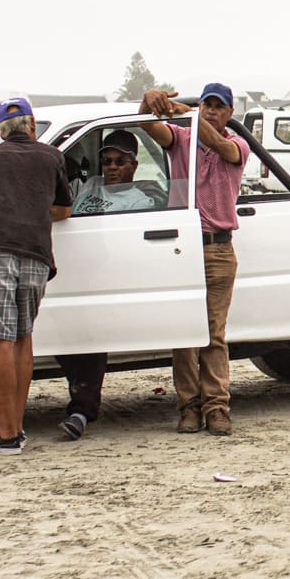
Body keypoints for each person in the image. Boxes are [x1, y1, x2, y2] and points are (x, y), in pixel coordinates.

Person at [0, 98, 73, 455]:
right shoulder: (52, 157)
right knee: (23, 335)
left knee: (0, 339)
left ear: (0, 131)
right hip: (37, 255)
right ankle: (15, 430)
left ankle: (6, 435)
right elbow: (64, 209)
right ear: (32, 126)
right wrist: (32, 212)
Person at [141, 83, 250, 436]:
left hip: (218, 248)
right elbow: (146, 124)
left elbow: (221, 146)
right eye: (207, 105)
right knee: (185, 333)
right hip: (183, 247)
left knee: (213, 334)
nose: (212, 111)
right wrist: (150, 100)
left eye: (220, 106)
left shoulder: (237, 145)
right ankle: (189, 407)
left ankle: (217, 407)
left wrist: (185, 113)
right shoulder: (180, 138)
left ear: (230, 113)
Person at [56, 129, 155, 440]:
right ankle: (80, 396)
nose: (112, 167)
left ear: (134, 166)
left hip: (104, 277)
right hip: (72, 271)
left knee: (89, 342)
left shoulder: (140, 201)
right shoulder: (91, 185)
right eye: (107, 161)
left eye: (120, 161)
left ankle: (82, 408)